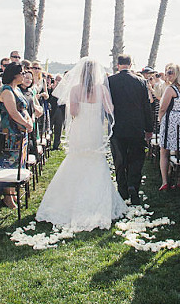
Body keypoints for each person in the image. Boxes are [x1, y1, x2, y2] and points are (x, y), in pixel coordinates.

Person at [36, 58, 128, 231]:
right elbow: (110, 110)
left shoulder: (76, 89)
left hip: (81, 129)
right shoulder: (102, 89)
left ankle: (68, 199)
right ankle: (97, 201)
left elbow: (74, 112)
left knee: (76, 158)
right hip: (94, 129)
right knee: (95, 159)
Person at [108, 54, 155, 205]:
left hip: (117, 126)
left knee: (120, 159)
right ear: (130, 64)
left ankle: (122, 190)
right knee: (136, 158)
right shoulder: (141, 81)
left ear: (118, 65)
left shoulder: (110, 81)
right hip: (136, 126)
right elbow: (146, 106)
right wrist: (149, 128)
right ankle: (133, 186)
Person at [0, 63, 34, 209]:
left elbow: (24, 108)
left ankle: (13, 192)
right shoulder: (6, 91)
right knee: (10, 162)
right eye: (22, 73)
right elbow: (13, 112)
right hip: (10, 133)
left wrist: (29, 122)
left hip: (21, 133)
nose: (24, 76)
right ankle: (8, 197)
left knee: (18, 161)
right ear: (15, 75)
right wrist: (26, 123)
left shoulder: (16, 89)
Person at [156, 64, 180, 190]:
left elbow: (163, 108)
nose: (167, 75)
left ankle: (165, 181)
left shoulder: (171, 89)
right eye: (166, 72)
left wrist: (160, 120)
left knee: (164, 151)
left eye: (170, 72)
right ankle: (179, 179)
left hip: (171, 119)